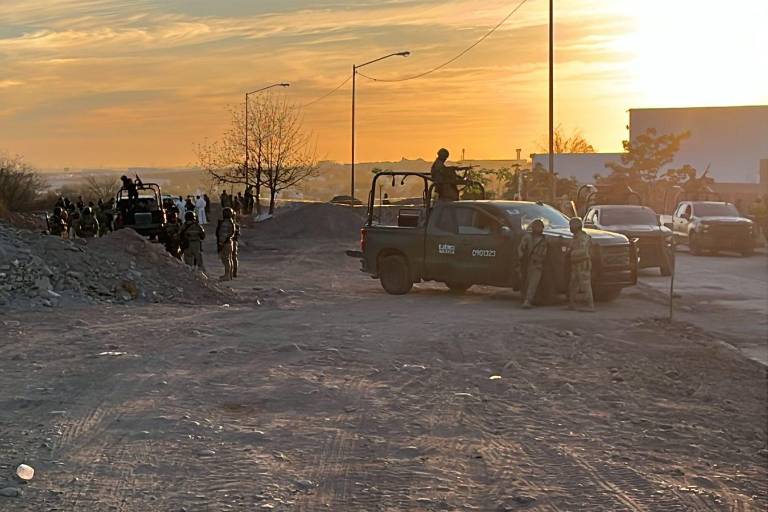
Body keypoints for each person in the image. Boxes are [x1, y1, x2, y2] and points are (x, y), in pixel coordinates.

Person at [518, 218, 548, 309]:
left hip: (537, 264)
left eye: (540, 227)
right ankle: (525, 299)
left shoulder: (544, 240)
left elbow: (545, 253)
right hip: (527, 263)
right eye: (537, 227)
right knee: (526, 282)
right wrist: (521, 259)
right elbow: (520, 249)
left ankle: (528, 300)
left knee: (533, 283)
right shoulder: (527, 237)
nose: (539, 229)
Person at [567, 217, 594, 312]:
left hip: (582, 264)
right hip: (576, 263)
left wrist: (571, 254)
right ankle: (572, 304)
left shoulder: (583, 238)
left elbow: (584, 252)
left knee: (585, 284)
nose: (570, 228)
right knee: (573, 284)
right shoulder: (575, 237)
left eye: (571, 226)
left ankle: (590, 306)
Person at [216, 207, 236, 281]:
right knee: (229, 259)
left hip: (225, 243)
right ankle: (229, 274)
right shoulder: (231, 222)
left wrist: (221, 243)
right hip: (229, 242)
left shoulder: (225, 223)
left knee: (226, 260)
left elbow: (224, 234)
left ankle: (227, 275)